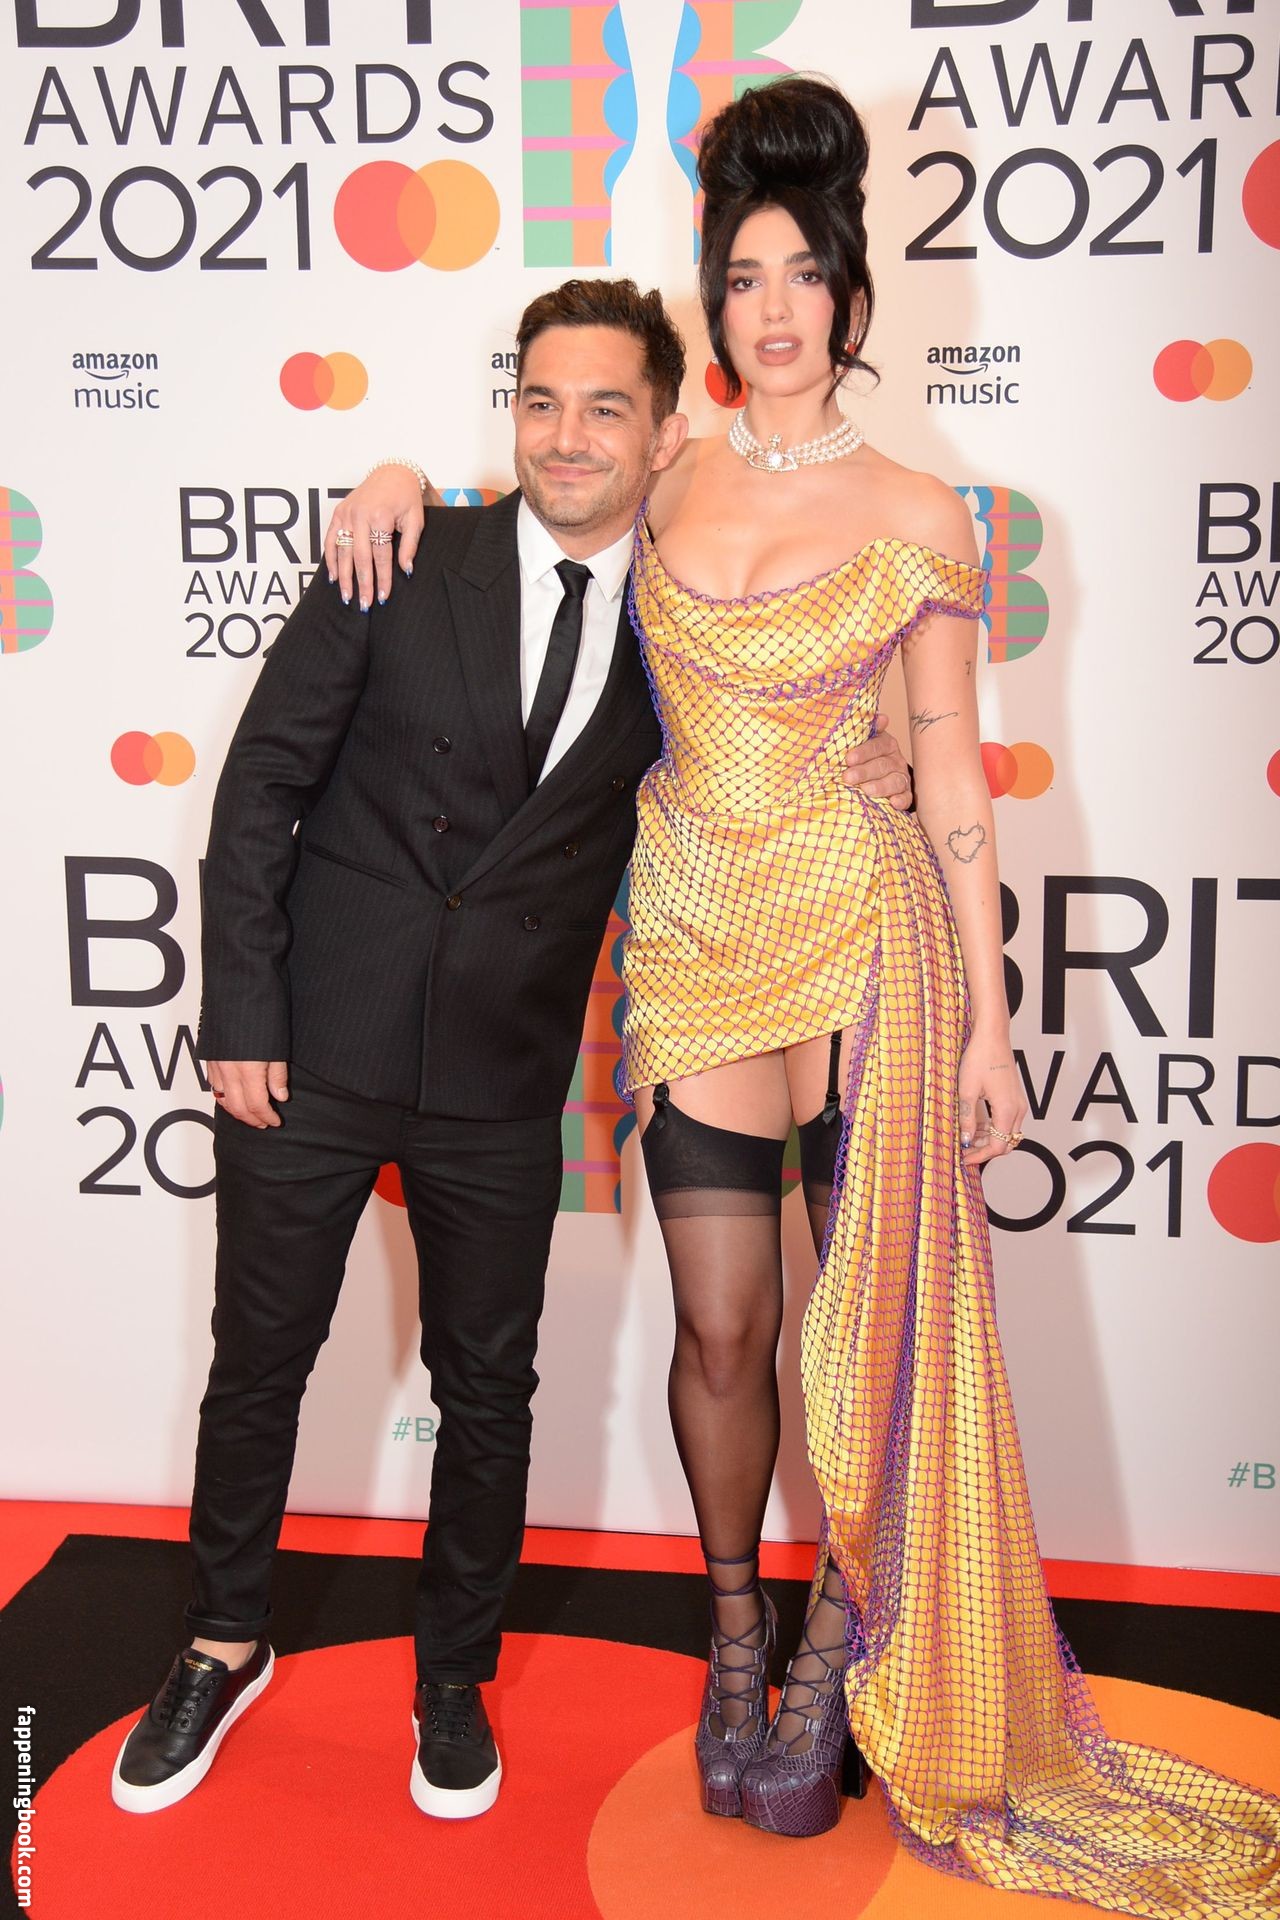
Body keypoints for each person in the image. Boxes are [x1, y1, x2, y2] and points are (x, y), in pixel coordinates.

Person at [327, 76, 1280, 1914]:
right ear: (717, 296)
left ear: (852, 291)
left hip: (862, 941)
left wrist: (994, 1021)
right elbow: (530, 518)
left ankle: (845, 1653)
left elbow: (954, 769)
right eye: (743, 275)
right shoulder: (667, 469)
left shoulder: (920, 508)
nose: (772, 308)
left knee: (875, 1344)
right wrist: (393, 485)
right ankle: (738, 1641)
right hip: (693, 933)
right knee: (724, 1332)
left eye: (803, 274)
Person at [108, 274, 912, 1827]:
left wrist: (881, 753)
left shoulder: (687, 627)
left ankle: (453, 1675)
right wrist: (243, 1016)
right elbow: (260, 786)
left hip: (499, 1071)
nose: (567, 436)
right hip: (314, 1044)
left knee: (488, 1386)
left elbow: (769, 763)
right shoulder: (404, 550)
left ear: (664, 434)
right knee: (259, 1357)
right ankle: (220, 1642)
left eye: (606, 407)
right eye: (540, 402)